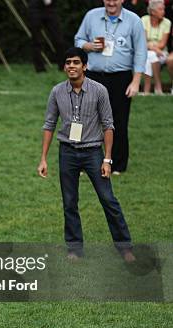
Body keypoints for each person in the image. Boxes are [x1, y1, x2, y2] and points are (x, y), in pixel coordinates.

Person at [38, 47, 134, 262]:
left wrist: (107, 159)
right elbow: (49, 124)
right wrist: (43, 158)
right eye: (68, 62)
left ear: (85, 66)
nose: (71, 66)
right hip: (67, 153)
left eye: (76, 62)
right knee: (69, 203)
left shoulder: (99, 90)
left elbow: (108, 125)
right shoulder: (57, 92)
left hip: (93, 152)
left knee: (108, 200)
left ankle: (125, 248)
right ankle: (74, 249)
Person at [75, 0, 147, 175]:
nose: (111, 2)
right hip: (93, 76)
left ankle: (117, 164)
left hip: (121, 78)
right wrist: (89, 46)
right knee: (85, 120)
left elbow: (140, 52)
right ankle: (85, 163)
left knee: (118, 122)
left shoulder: (134, 20)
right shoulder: (91, 16)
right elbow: (78, 39)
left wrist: (136, 81)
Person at [141, 0, 171, 93]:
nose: (163, 11)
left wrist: (150, 45)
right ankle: (158, 87)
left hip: (162, 53)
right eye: (160, 9)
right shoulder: (144, 20)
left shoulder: (167, 22)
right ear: (153, 11)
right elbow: (142, 41)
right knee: (150, 55)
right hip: (149, 52)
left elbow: (162, 44)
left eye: (163, 9)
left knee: (150, 55)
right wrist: (154, 48)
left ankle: (147, 90)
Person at [28, 0, 65, 72]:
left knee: (58, 39)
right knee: (36, 40)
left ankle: (62, 66)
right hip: (35, 8)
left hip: (50, 8)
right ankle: (40, 69)